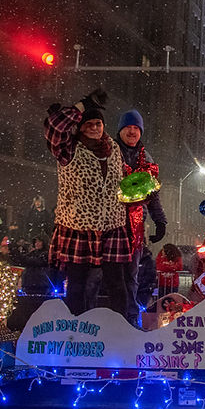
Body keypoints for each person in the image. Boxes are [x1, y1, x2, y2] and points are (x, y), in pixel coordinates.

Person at [44, 88, 130, 317]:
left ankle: (121, 328)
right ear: (80, 126)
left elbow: (124, 183)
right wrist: (83, 104)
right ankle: (77, 328)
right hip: (77, 226)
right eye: (89, 123)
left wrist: (141, 192)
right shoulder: (68, 148)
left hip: (112, 225)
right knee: (77, 285)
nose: (94, 127)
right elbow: (53, 127)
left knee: (116, 284)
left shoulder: (114, 150)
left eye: (98, 124)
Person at [113, 109, 167, 324]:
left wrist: (160, 220)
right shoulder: (110, 152)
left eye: (136, 128)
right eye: (128, 128)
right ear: (120, 130)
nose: (132, 132)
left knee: (131, 275)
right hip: (111, 223)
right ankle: (110, 319)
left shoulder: (147, 160)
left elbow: (153, 195)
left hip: (135, 226)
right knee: (110, 275)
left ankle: (129, 320)